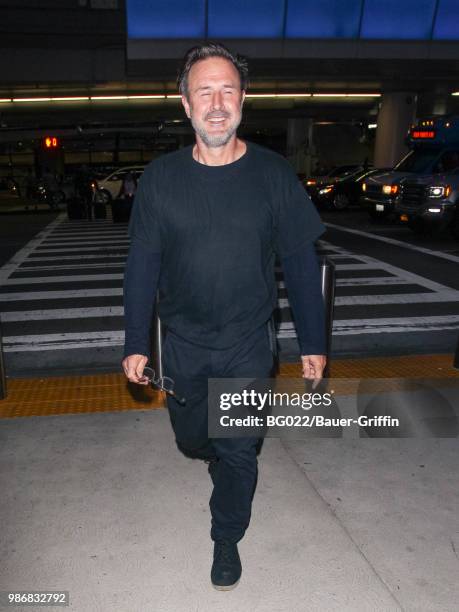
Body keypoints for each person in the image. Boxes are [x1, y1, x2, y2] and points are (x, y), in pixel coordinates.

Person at [122, 42, 327, 591]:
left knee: (238, 449)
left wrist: (314, 340)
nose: (217, 103)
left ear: (244, 101)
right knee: (194, 440)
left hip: (246, 341)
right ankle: (209, 450)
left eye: (228, 91)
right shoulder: (161, 180)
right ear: (185, 106)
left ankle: (226, 537)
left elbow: (301, 263)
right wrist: (134, 341)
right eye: (204, 92)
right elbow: (142, 264)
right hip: (184, 341)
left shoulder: (273, 174)